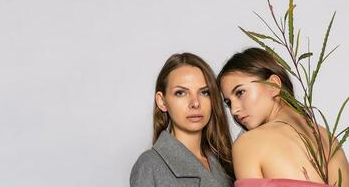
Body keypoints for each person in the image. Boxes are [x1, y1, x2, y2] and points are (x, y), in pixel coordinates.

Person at [217, 47, 349, 187]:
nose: (234, 110)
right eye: (228, 103)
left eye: (240, 92)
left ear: (273, 85)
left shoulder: (249, 143)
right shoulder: (330, 141)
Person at [130, 53, 234, 187]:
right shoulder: (149, 165)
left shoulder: (225, 160)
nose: (195, 103)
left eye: (204, 92)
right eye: (181, 93)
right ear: (162, 101)